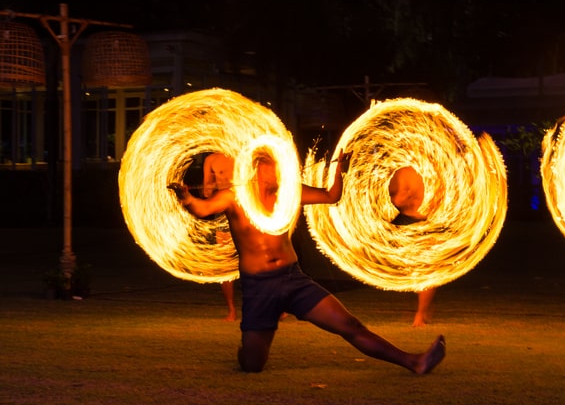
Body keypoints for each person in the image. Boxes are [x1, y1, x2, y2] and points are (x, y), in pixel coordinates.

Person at [170, 151, 446, 373]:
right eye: (273, 166)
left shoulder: (289, 194)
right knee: (252, 365)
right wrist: (186, 198)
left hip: (293, 280)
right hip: (259, 288)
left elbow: (330, 196)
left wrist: (341, 170)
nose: (280, 170)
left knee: (350, 326)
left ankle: (414, 361)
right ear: (257, 168)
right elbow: (203, 208)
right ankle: (247, 346)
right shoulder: (234, 197)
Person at [388, 166, 437, 327]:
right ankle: (423, 311)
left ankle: (421, 313)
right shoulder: (409, 172)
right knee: (422, 272)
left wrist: (407, 197)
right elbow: (398, 200)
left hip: (417, 222)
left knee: (425, 272)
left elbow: (398, 200)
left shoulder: (407, 172)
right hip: (411, 223)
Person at [203, 152, 238, 322]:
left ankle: (279, 306)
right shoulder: (211, 160)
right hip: (223, 211)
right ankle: (231, 310)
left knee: (260, 259)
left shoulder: (245, 153)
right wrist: (209, 189)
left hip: (247, 208)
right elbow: (207, 191)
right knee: (225, 261)